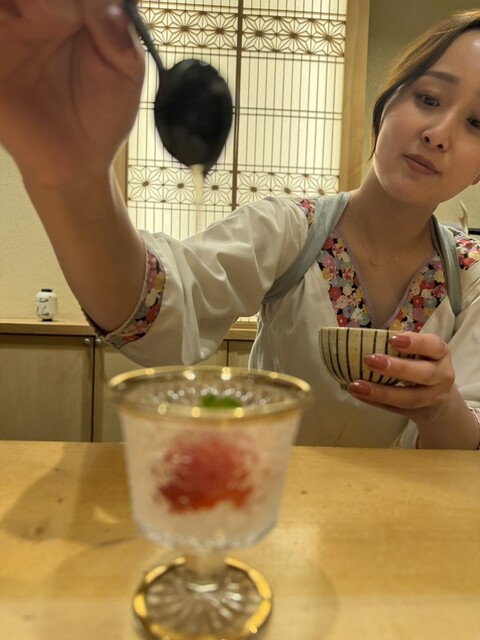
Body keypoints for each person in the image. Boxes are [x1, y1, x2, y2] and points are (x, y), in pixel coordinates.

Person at [1, 2, 480, 449]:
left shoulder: (471, 277)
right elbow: (162, 305)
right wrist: (75, 177)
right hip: (270, 499)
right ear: (387, 101)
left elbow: (464, 452)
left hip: (405, 514)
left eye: (476, 123)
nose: (438, 134)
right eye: (428, 98)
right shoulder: (293, 230)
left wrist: (441, 408)